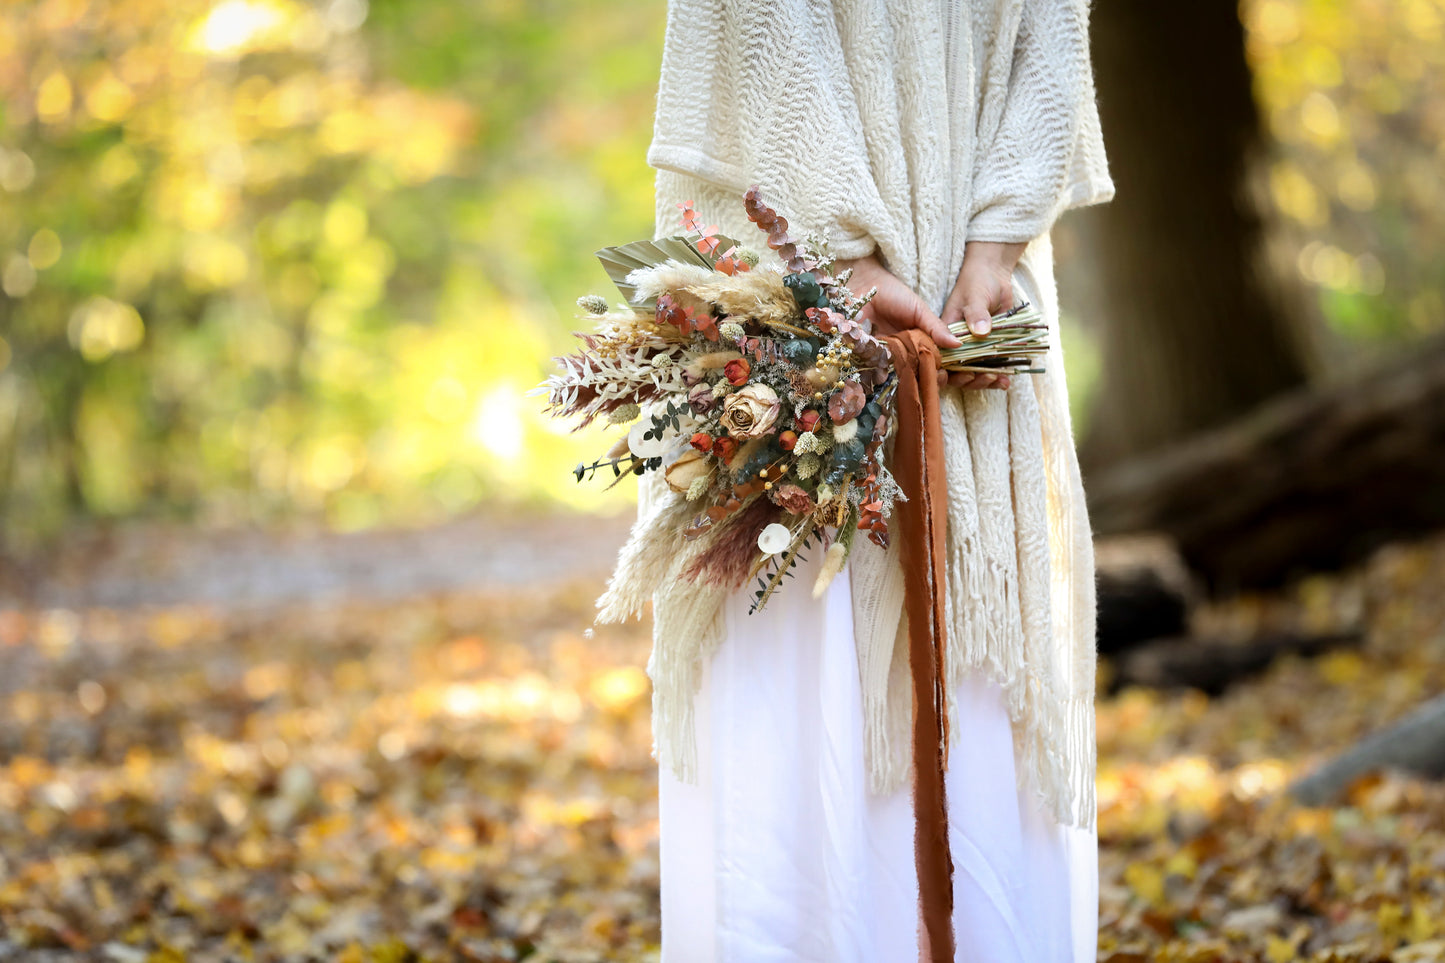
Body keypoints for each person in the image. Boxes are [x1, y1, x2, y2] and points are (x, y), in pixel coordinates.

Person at [635, 0, 1115, 959]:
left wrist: (994, 242)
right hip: (800, 289)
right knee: (808, 593)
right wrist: (843, 260)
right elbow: (754, 34)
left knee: (972, 642)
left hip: (977, 309)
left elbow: (1048, 36)